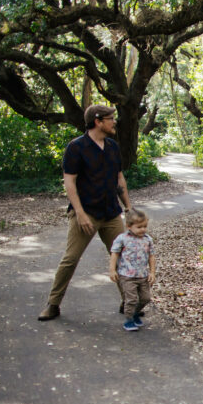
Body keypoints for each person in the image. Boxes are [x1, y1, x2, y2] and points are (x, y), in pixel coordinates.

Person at [38, 104, 132, 321]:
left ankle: (128, 301)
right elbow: (69, 182)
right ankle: (53, 304)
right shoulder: (76, 147)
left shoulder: (113, 147)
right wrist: (79, 212)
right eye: (111, 118)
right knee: (70, 259)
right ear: (98, 121)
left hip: (111, 213)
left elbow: (119, 179)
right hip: (86, 212)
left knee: (122, 257)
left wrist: (128, 207)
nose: (114, 122)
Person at [109, 208, 155, 331]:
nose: (143, 229)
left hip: (142, 275)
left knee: (146, 298)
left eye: (145, 226)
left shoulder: (147, 239)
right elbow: (114, 253)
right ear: (129, 226)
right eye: (139, 227)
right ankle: (129, 320)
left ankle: (135, 313)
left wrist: (152, 272)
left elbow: (151, 256)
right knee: (131, 299)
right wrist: (112, 270)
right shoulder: (122, 238)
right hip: (127, 276)